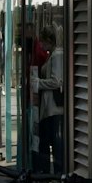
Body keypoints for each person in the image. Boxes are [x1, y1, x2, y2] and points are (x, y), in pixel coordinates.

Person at [28, 29, 64, 174]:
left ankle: (56, 171)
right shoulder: (52, 55)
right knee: (51, 141)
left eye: (43, 42)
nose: (41, 45)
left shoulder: (57, 55)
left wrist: (38, 82)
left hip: (53, 108)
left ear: (49, 41)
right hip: (49, 107)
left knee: (54, 142)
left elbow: (57, 81)